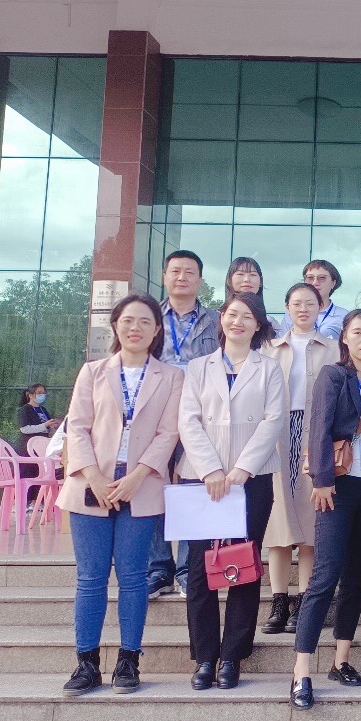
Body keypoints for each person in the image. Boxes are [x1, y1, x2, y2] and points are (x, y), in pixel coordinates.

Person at [57, 294, 184, 695]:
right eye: (128, 320)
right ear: (115, 325)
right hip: (90, 483)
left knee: (133, 577)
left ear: (157, 329)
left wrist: (137, 476)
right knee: (90, 578)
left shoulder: (171, 377)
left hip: (141, 484)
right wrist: (95, 477)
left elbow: (169, 433)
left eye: (145, 321)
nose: (135, 328)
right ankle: (86, 663)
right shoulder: (93, 371)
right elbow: (77, 427)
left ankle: (129, 660)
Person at [178, 291, 286, 692]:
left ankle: (232, 657)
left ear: (258, 325)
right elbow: (188, 420)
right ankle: (205, 656)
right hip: (201, 479)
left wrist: (241, 469)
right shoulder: (198, 367)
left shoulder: (268, 368)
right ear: (221, 319)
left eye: (246, 316)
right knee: (199, 570)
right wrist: (211, 469)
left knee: (243, 564)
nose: (237, 321)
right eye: (231, 313)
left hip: (251, 480)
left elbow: (273, 421)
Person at [289, 310, 361, 710]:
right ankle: (301, 671)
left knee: (356, 578)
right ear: (344, 338)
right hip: (339, 485)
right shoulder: (334, 375)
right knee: (324, 577)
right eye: (357, 332)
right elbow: (319, 425)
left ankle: (340, 660)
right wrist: (322, 478)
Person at [260, 283, 341, 636]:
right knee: (277, 521)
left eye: (310, 303)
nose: (303, 309)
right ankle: (278, 600)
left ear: (320, 306)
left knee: (310, 522)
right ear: (287, 307)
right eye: (296, 303)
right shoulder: (269, 348)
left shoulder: (333, 348)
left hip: (316, 435)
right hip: (276, 436)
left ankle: (305, 600)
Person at [151, 249, 220, 599]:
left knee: (194, 485)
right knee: (154, 485)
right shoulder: (149, 315)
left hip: (200, 415)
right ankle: (158, 568)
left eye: (189, 272)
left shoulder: (216, 320)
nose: (182, 277)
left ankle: (187, 569)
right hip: (155, 412)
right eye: (175, 271)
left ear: (200, 280)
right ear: (164, 276)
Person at [277, 260, 345, 341]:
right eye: (310, 278)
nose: (315, 283)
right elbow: (280, 341)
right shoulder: (292, 313)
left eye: (322, 278)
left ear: (333, 283)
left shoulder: (343, 316)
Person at [15, 383, 60, 456]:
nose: (42, 395)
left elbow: (47, 425)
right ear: (30, 395)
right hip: (28, 447)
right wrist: (44, 425)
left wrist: (54, 425)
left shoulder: (43, 409)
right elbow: (24, 429)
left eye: (44, 393)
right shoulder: (24, 410)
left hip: (42, 446)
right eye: (39, 393)